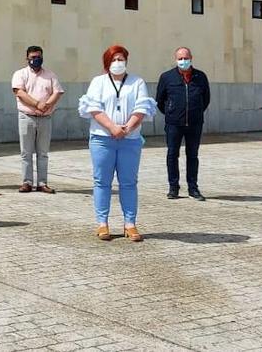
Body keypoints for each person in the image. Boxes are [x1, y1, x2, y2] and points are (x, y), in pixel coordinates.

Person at [78, 44, 155, 242]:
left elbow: (142, 107)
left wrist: (127, 128)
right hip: (102, 139)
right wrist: (112, 128)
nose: (118, 63)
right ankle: (102, 223)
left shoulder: (137, 82)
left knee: (129, 182)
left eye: (121, 59)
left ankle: (130, 223)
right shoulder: (98, 82)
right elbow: (93, 108)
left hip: (130, 140)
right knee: (102, 181)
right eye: (114, 60)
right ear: (107, 63)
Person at [155, 46, 211, 200]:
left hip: (195, 123)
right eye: (180, 58)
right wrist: (171, 112)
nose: (183, 61)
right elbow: (160, 100)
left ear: (191, 58)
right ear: (175, 60)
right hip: (174, 124)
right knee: (172, 154)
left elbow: (205, 99)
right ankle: (173, 188)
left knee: (192, 155)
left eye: (186, 58)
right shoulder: (167, 77)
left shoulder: (200, 76)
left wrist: (196, 112)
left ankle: (193, 188)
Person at [11, 45, 64, 194]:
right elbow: (19, 92)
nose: (36, 60)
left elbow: (57, 92)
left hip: (45, 118)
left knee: (43, 152)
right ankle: (27, 182)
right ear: (27, 58)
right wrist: (37, 104)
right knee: (26, 152)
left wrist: (47, 105)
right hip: (26, 117)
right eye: (33, 57)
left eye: (38, 57)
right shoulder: (20, 74)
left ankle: (42, 183)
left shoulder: (50, 75)